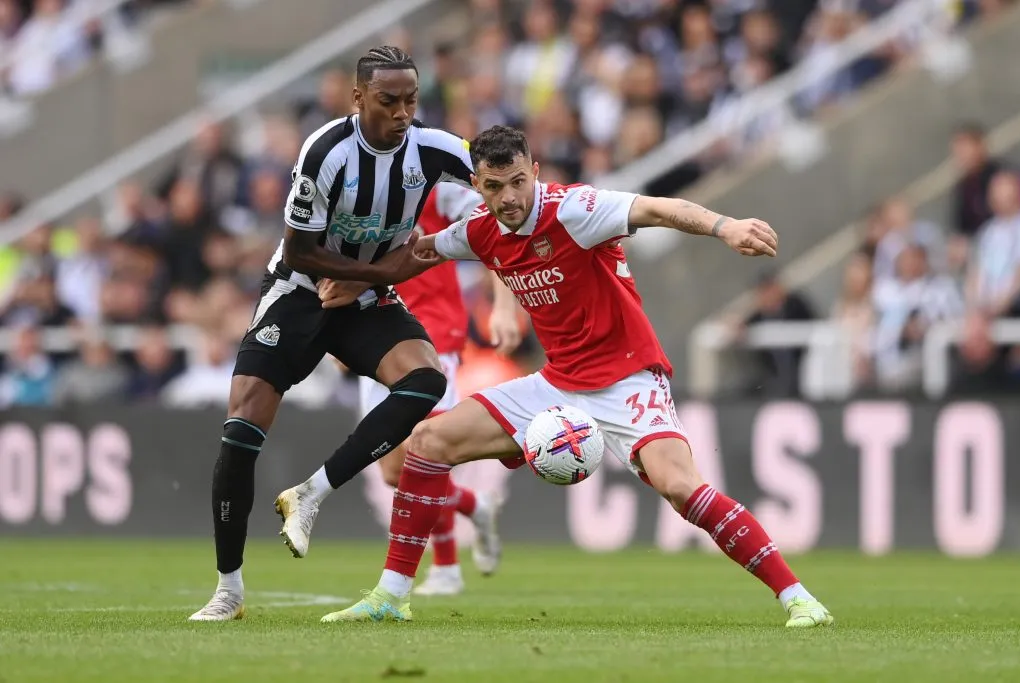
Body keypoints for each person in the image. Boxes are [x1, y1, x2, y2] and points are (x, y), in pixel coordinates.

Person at [315, 125, 834, 628]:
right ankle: (392, 597)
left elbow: (657, 208)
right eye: (494, 187)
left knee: (680, 488)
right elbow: (421, 253)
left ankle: (798, 597)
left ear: (534, 172)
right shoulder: (481, 230)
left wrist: (726, 226)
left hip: (627, 377)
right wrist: (356, 281)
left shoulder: (575, 210)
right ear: (477, 186)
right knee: (427, 442)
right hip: (558, 381)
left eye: (518, 181)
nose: (509, 197)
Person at [189, 46, 479, 621]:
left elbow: (501, 181)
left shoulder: (437, 149)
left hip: (365, 297)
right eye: (388, 100)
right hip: (299, 289)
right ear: (358, 98)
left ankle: (312, 493)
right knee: (241, 427)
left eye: (411, 102)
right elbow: (299, 248)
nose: (401, 113)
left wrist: (373, 280)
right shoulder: (325, 150)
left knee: (426, 379)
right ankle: (228, 589)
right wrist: (369, 273)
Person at [352, 183, 521, 596]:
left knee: (429, 448)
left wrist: (502, 305)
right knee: (394, 471)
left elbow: (493, 226)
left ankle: (446, 568)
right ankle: (472, 505)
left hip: (432, 331)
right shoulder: (354, 188)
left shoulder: (435, 187)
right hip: (375, 333)